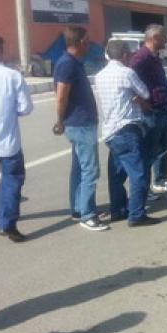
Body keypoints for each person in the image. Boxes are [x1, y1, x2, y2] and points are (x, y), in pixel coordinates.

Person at [95, 40, 160, 227]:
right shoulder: (126, 73)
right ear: (124, 55)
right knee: (139, 174)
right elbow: (145, 93)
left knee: (116, 174)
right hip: (127, 129)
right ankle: (137, 214)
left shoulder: (99, 76)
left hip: (110, 131)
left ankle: (117, 210)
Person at [53, 26, 108, 231]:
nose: (89, 44)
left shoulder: (73, 63)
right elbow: (61, 96)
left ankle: (78, 209)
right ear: (79, 43)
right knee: (90, 170)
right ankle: (87, 215)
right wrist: (59, 120)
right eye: (87, 41)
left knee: (79, 168)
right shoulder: (67, 64)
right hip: (80, 124)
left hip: (80, 123)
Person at [0, 33, 33, 242]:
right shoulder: (11, 76)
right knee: (11, 181)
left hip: (4, 139)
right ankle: (6, 223)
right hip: (7, 139)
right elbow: (25, 108)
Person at [130, 25, 167, 194]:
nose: (166, 40)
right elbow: (129, 80)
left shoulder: (154, 57)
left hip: (161, 109)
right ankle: (145, 189)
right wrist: (141, 102)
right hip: (151, 111)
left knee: (164, 147)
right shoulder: (141, 58)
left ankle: (160, 180)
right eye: (163, 37)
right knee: (149, 150)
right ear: (155, 38)